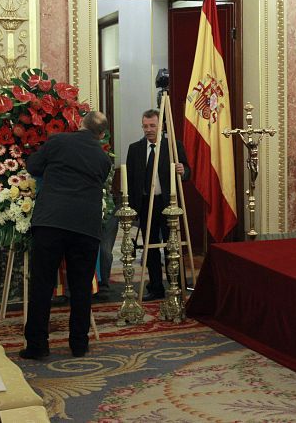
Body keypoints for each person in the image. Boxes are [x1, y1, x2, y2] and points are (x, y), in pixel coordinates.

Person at [20, 111, 112, 359]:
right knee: (81, 287)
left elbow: (33, 166)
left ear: (80, 124)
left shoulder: (58, 141)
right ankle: (79, 344)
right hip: (85, 226)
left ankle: (38, 345)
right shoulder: (104, 159)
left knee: (42, 284)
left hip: (51, 222)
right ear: (101, 135)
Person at [125, 109, 191, 301]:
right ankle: (155, 287)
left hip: (167, 204)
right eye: (145, 126)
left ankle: (177, 284)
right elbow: (130, 179)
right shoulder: (135, 149)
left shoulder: (173, 146)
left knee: (172, 246)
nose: (148, 130)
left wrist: (182, 170)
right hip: (145, 204)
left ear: (160, 126)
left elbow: (187, 172)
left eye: (152, 126)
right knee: (150, 246)